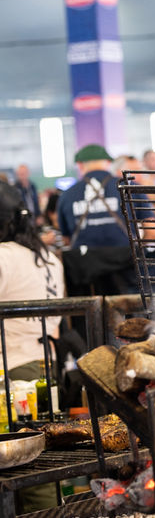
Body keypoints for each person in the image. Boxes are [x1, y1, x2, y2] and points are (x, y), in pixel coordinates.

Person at [0, 181, 65, 513]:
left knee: (20, 465)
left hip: (10, 372)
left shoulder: (3, 256)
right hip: (45, 367)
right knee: (43, 463)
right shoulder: (49, 257)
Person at [56, 144, 136, 295]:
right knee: (133, 311)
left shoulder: (67, 195)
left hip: (86, 274)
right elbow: (152, 228)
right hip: (127, 269)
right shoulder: (129, 187)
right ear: (107, 162)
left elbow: (66, 238)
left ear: (80, 165)